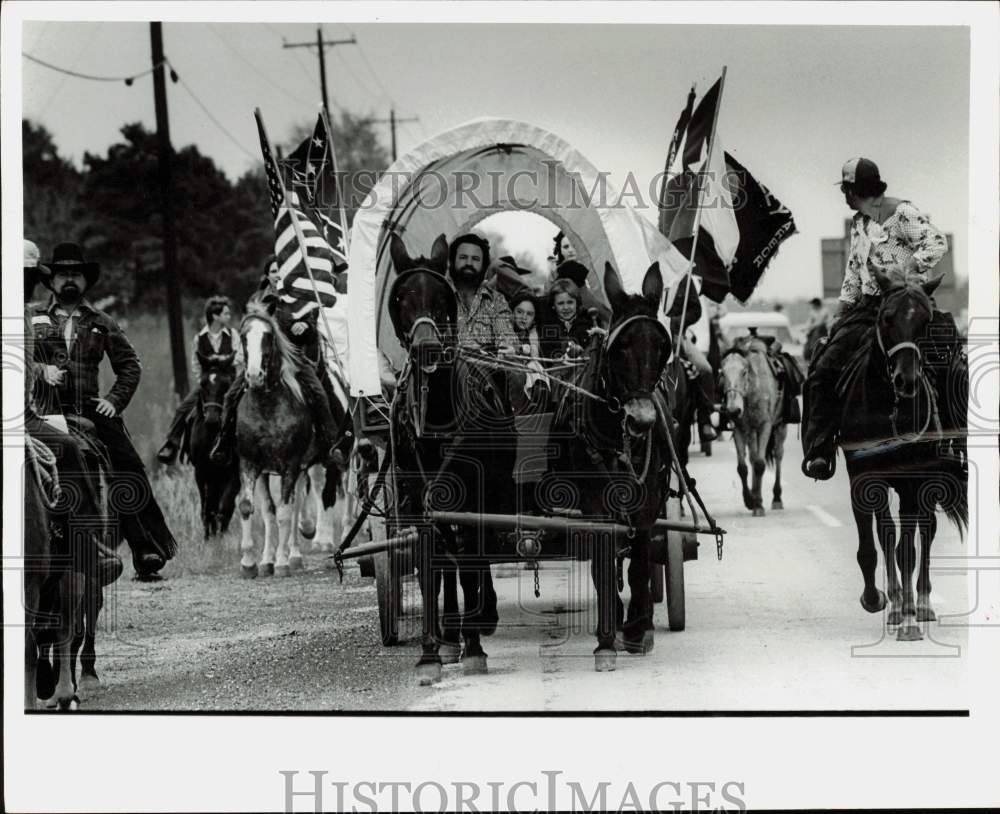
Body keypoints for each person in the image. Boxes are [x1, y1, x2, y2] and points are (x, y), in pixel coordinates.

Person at [30, 242, 176, 580]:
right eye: (63, 274)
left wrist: (113, 401)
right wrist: (40, 370)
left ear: (85, 281)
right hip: (41, 406)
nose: (70, 280)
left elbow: (130, 365)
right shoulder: (31, 316)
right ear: (51, 280)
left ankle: (146, 548)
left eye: (76, 275)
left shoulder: (101, 321)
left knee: (127, 465)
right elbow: (15, 358)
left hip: (91, 409)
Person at [801, 157, 952, 480]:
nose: (844, 195)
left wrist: (910, 271)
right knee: (822, 368)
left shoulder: (901, 213)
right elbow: (854, 275)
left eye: (847, 189)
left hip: (904, 304)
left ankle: (953, 442)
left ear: (858, 189)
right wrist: (841, 313)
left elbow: (936, 242)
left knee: (949, 359)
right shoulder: (859, 223)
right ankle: (820, 448)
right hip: (868, 309)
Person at [210, 255, 344, 465]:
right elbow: (247, 329)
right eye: (273, 271)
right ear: (267, 275)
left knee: (319, 392)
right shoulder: (256, 299)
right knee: (230, 397)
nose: (277, 274)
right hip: (262, 363)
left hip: (294, 360)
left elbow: (311, 326)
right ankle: (224, 443)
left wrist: (305, 326)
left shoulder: (299, 297)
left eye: (281, 270)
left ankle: (331, 444)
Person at [157, 296, 243, 464]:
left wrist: (220, 361)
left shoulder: (233, 335)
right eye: (226, 313)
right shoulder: (199, 338)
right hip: (209, 383)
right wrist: (204, 381)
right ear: (215, 316)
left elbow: (239, 358)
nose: (229, 317)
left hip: (228, 382)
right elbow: (196, 364)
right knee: (183, 409)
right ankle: (172, 445)